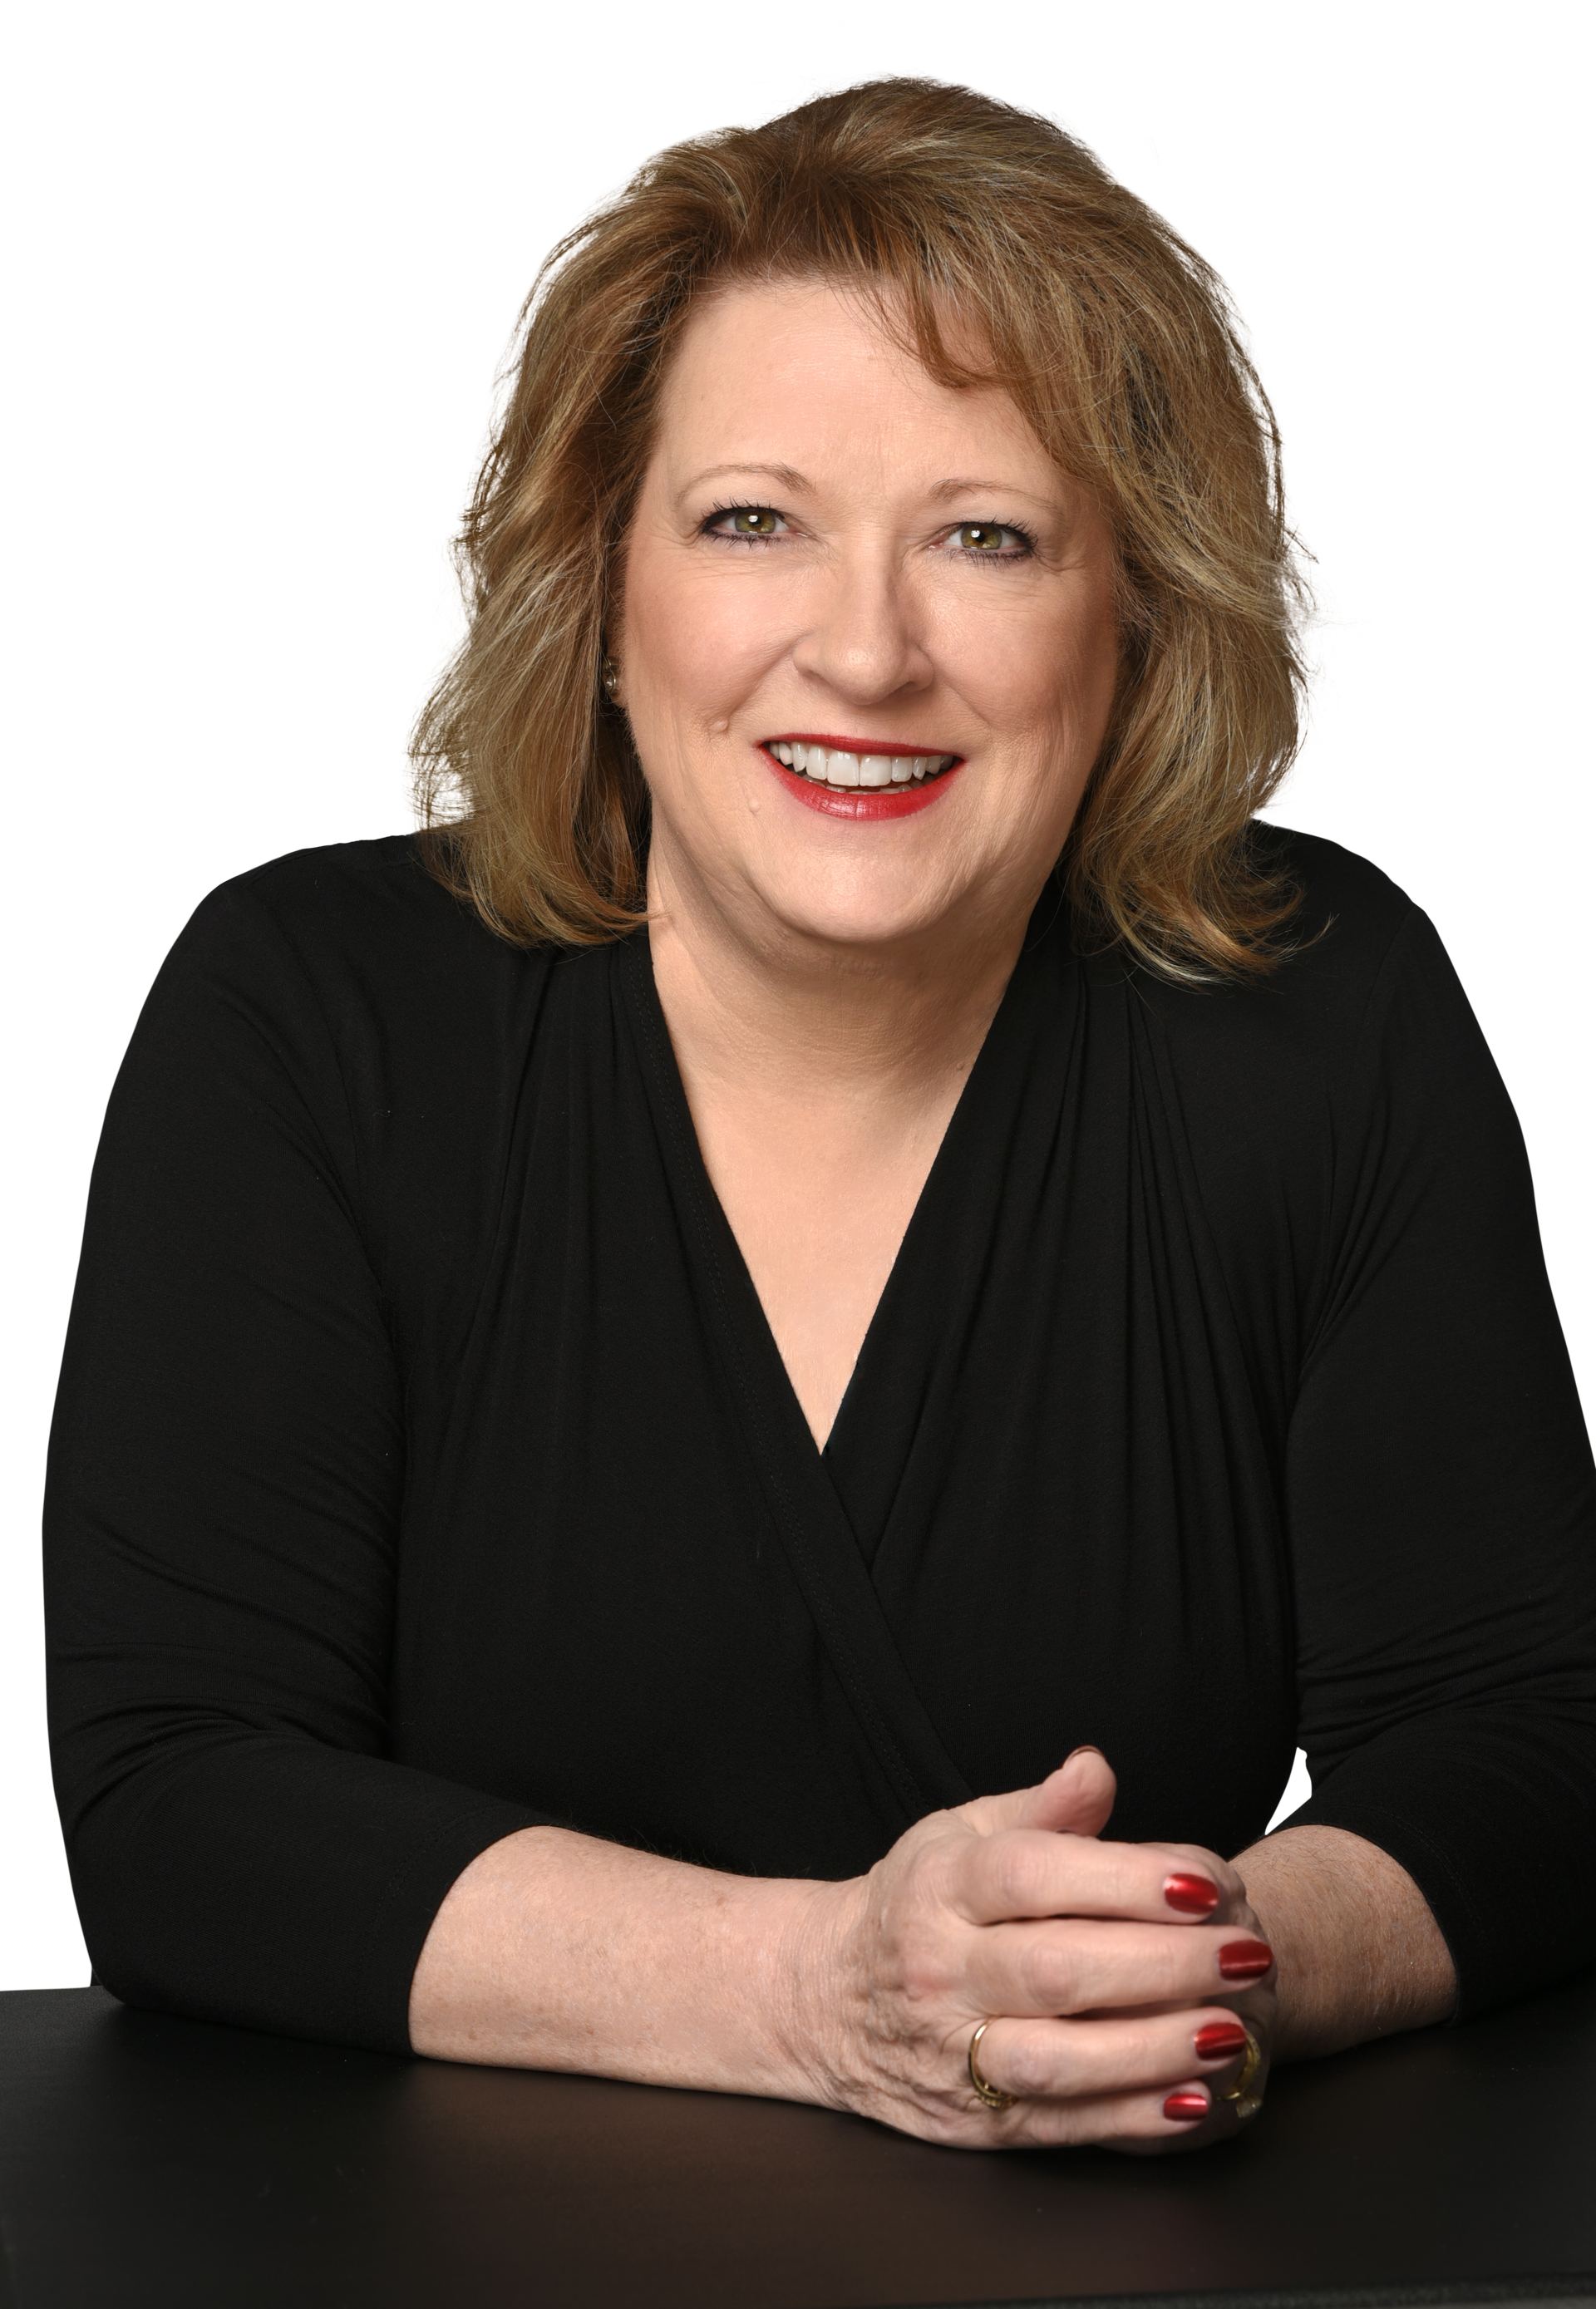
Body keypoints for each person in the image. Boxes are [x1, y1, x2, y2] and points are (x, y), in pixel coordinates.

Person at [41, 66, 1596, 2156]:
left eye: (987, 536)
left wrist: (1182, 1975)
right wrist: (820, 1995)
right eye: (751, 519)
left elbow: (1525, 1745)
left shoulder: (1332, 1005)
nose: (864, 651)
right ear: (603, 586)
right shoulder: (305, 1015)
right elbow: (176, 1801)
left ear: (1131, 616)